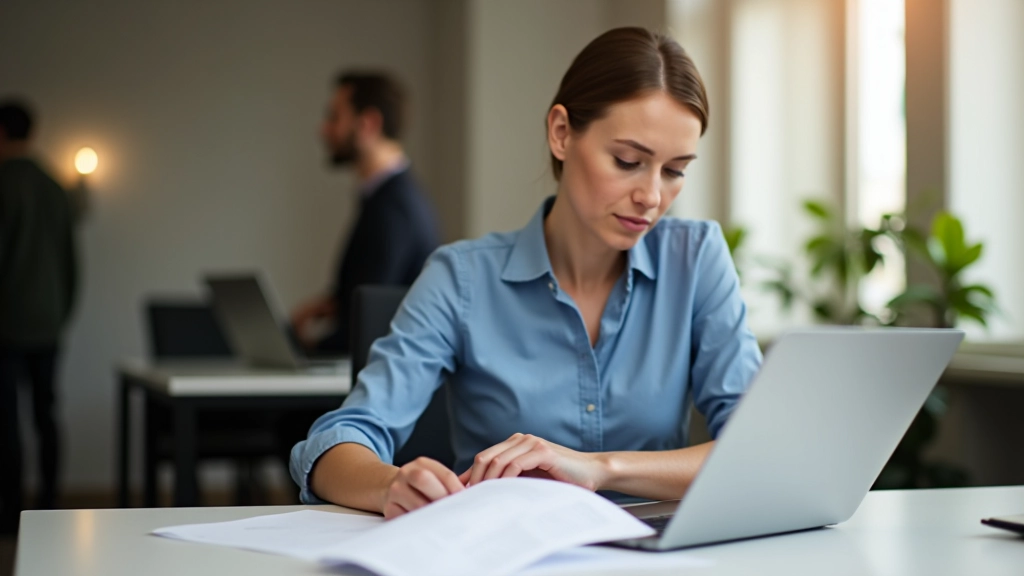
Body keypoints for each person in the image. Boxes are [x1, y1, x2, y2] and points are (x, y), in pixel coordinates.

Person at [290, 27, 762, 519]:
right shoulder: (461, 278)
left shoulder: (697, 259)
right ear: (561, 133)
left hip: (656, 555)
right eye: (628, 161)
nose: (652, 196)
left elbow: (757, 447)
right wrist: (391, 483)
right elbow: (335, 444)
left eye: (675, 170)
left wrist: (600, 468)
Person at [291, 72, 440, 355]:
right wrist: (331, 306)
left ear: (368, 124)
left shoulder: (393, 208)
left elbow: (368, 325)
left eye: (334, 117)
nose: (323, 129)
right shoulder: (386, 199)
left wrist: (307, 347)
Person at [0, 99, 78, 534]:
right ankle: (48, 504)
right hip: (49, 320)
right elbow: (71, 261)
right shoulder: (54, 185)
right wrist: (60, 311)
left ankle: (12, 513)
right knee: (47, 413)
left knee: (8, 420)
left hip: (7, 322)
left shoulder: (3, 182)